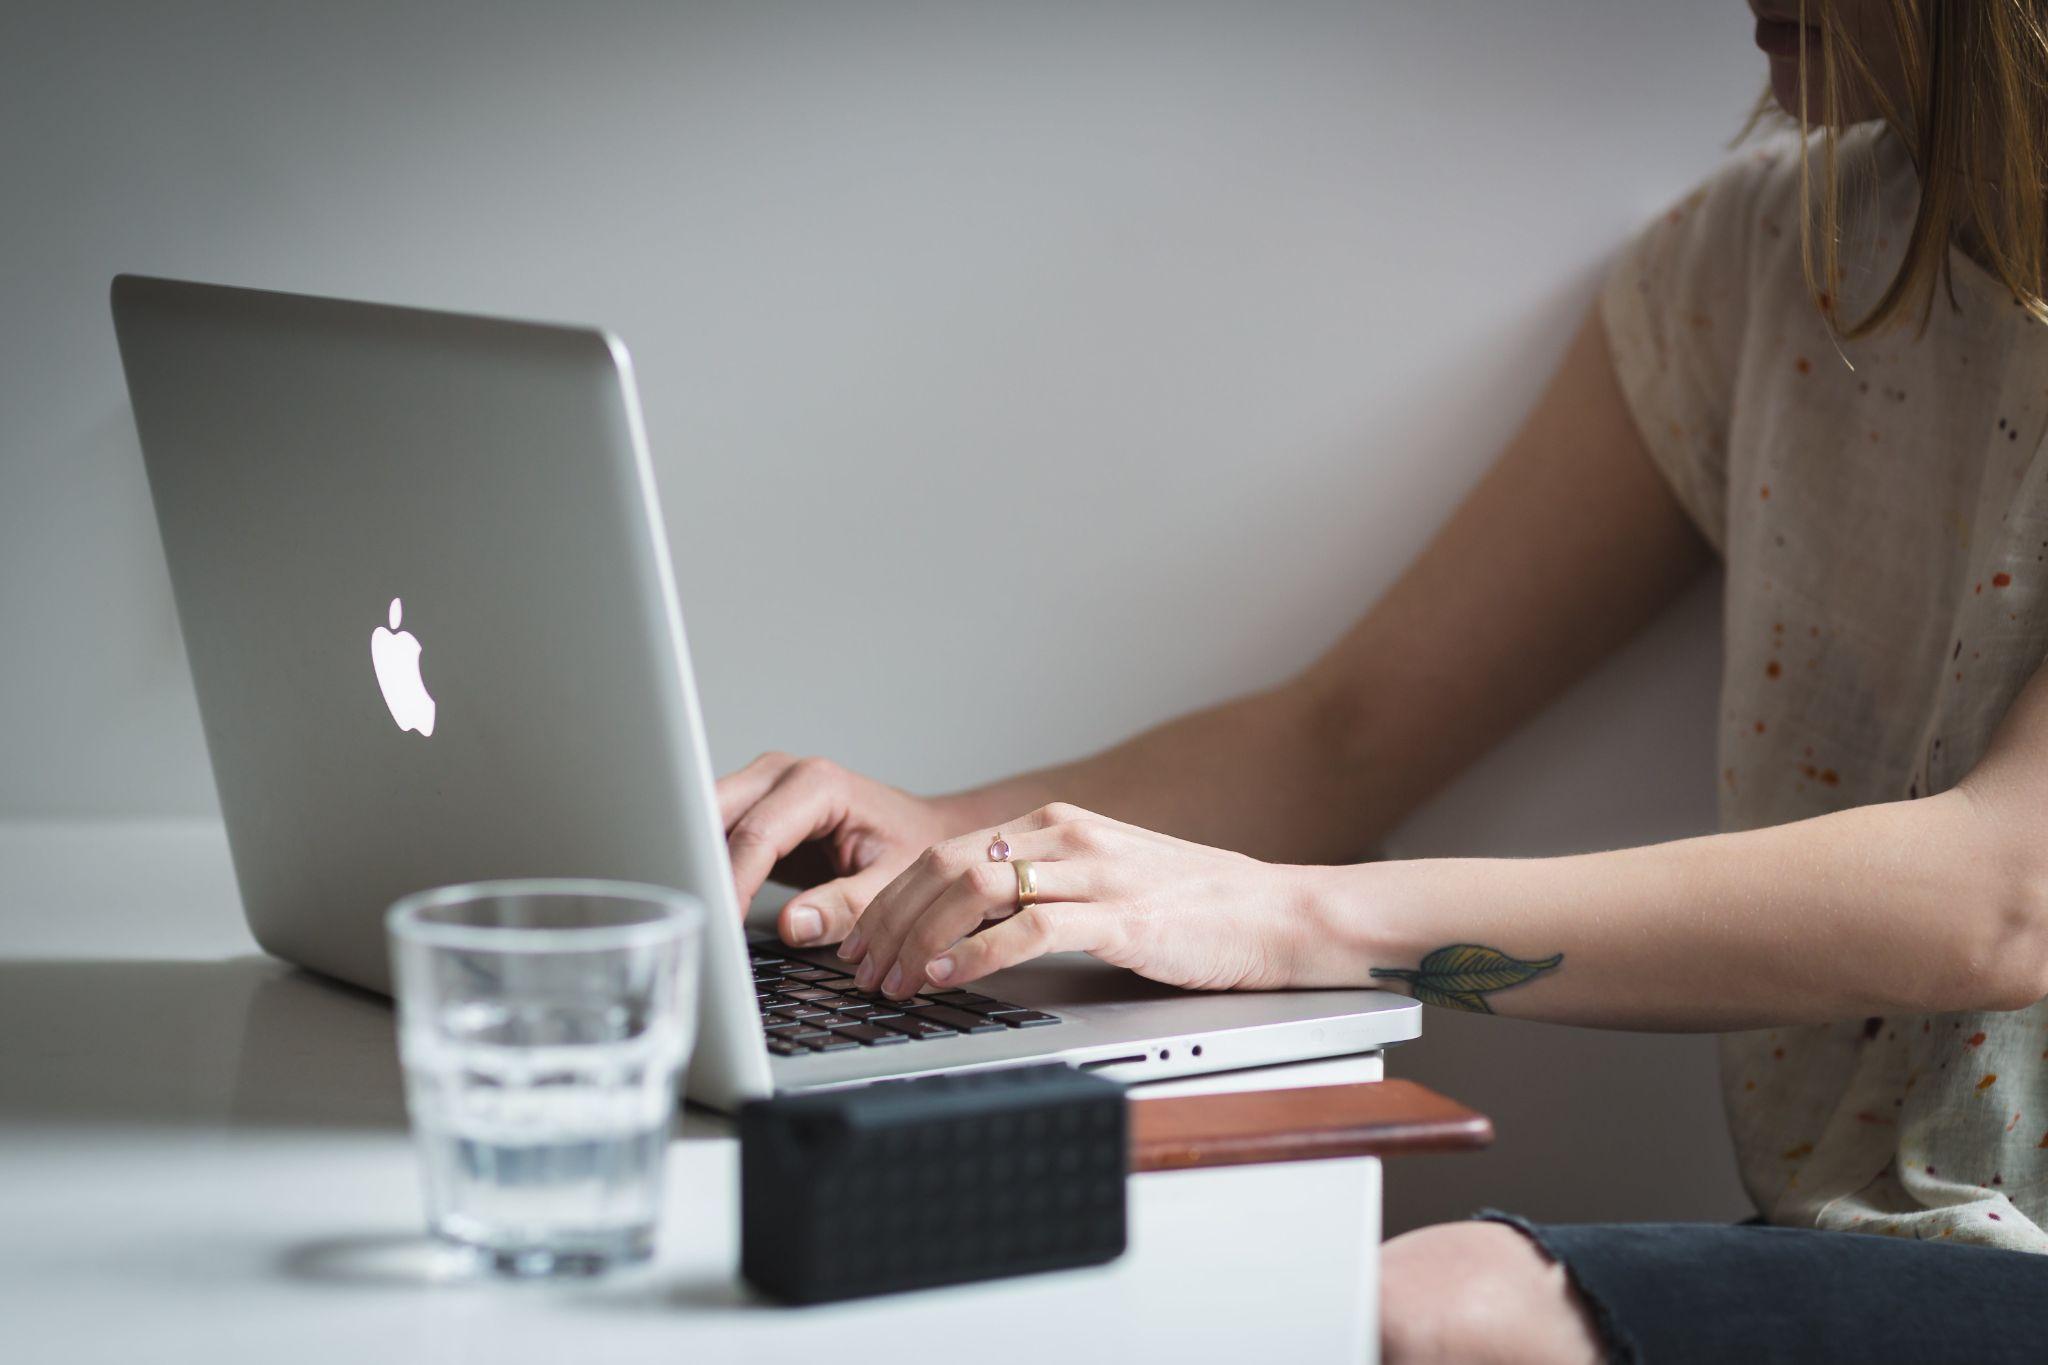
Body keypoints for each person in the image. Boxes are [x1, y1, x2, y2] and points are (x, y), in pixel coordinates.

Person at [715, 3, 2048, 1359]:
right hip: (1865, 1237)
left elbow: (2009, 894)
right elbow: (1346, 737)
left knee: (1425, 1311)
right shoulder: (1753, 261)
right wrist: (947, 838)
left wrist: (1294, 919)